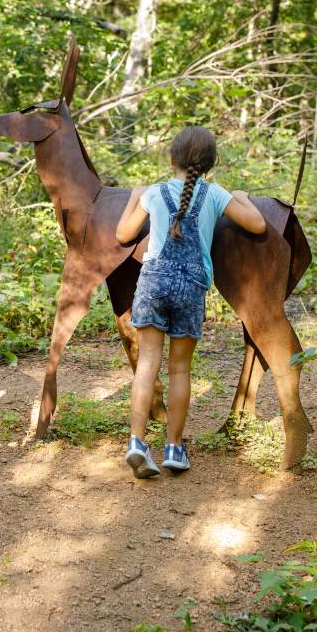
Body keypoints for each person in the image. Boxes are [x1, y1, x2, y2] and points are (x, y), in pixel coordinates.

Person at [115, 126, 265, 477]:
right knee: (180, 369)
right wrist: (240, 196)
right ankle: (174, 448)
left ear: (172, 159)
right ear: (211, 163)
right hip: (191, 288)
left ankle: (137, 442)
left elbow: (122, 235)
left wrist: (133, 197)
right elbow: (257, 225)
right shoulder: (214, 193)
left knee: (147, 364)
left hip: (152, 283)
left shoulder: (153, 192)